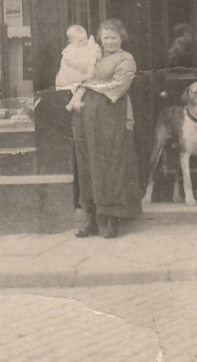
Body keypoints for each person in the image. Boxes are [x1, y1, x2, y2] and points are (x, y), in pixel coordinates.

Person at [69, 18, 143, 239]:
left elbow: (118, 87)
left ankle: (110, 219)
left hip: (110, 115)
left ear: (122, 38)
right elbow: (75, 74)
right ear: (100, 37)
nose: (109, 41)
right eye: (106, 37)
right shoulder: (93, 54)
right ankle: (90, 218)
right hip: (84, 116)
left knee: (108, 164)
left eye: (114, 37)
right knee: (86, 164)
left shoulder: (126, 59)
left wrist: (88, 83)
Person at [54, 24, 101, 103]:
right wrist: (78, 66)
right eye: (80, 41)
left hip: (88, 71)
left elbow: (96, 54)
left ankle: (77, 100)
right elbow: (68, 61)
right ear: (71, 42)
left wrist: (98, 54)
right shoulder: (71, 49)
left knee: (88, 85)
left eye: (85, 38)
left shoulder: (89, 45)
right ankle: (74, 101)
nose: (84, 42)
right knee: (76, 86)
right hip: (76, 71)